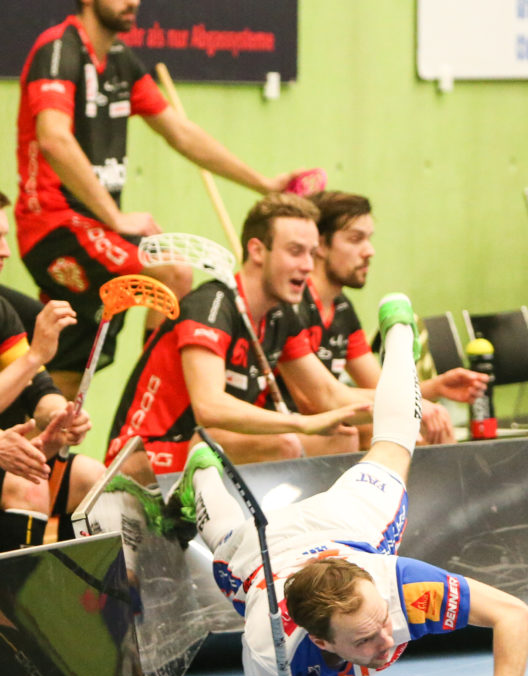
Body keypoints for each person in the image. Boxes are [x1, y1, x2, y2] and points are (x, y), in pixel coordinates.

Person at [168, 293, 528, 676]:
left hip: (351, 525)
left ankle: (398, 334)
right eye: (363, 640)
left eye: (381, 620)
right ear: (319, 642)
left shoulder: (399, 588)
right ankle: (202, 470)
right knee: (225, 546)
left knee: (395, 443)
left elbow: (514, 615)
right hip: (272, 556)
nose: (385, 639)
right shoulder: (270, 647)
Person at [16, 0, 314, 400]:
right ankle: (149, 405)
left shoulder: (121, 60)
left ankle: (35, 457)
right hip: (53, 223)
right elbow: (53, 138)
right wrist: (115, 216)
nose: (133, 2)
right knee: (172, 272)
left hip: (94, 231)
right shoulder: (58, 49)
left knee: (64, 382)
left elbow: (181, 133)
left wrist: (263, 184)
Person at [105, 193, 392, 475]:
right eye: (295, 251)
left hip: (200, 449)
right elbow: (210, 407)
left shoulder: (280, 316)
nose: (307, 265)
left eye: (311, 253)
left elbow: (329, 394)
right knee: (281, 443)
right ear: (257, 251)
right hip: (141, 458)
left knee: (340, 438)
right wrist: (300, 424)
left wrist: (412, 408)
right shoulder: (212, 305)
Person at [291, 191, 487, 446]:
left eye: (369, 239)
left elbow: (383, 388)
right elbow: (310, 401)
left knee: (425, 429)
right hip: (299, 426)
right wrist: (415, 406)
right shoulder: (294, 304)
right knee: (380, 434)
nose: (369, 251)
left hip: (334, 422)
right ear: (320, 245)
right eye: (355, 239)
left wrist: (436, 388)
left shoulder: (341, 308)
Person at [0, 190, 98, 550]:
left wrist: (59, 417)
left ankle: (94, 604)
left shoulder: (1, 310)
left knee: (92, 479)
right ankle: (17, 608)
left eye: (6, 237)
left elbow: (38, 389)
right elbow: (30, 364)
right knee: (28, 486)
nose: (6, 251)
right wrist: (35, 354)